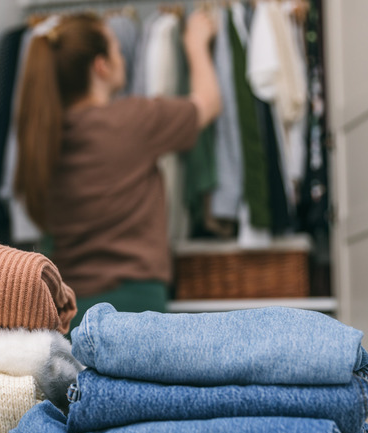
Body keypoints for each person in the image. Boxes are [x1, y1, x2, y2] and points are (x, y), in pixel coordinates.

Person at [15, 11, 221, 330]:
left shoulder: (43, 140)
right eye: (115, 48)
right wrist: (196, 44)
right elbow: (207, 103)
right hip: (136, 311)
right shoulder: (133, 120)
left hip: (67, 314)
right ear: (101, 66)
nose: (122, 56)